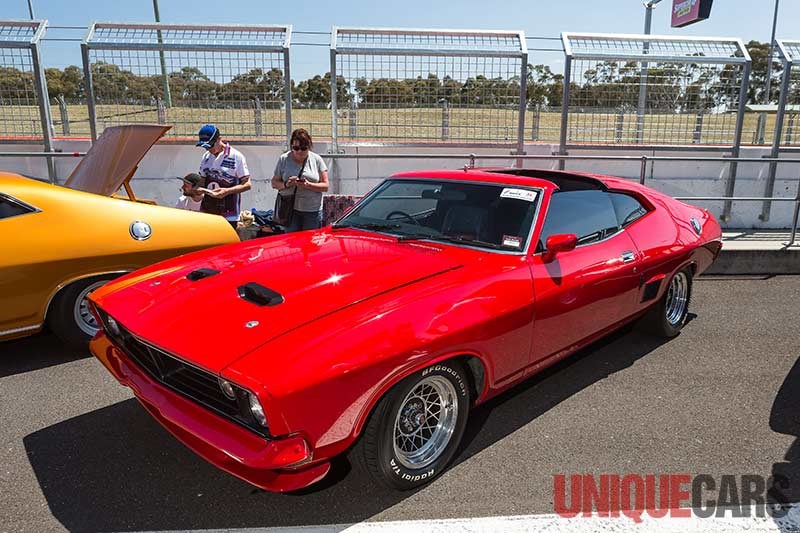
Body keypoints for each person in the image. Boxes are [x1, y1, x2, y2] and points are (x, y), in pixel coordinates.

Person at [271, 128, 329, 232]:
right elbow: (274, 183)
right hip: (290, 210)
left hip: (312, 210)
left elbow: (325, 186)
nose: (300, 151)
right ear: (291, 147)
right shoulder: (284, 159)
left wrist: (308, 185)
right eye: (296, 148)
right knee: (292, 243)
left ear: (309, 147)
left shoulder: (317, 159)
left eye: (303, 148)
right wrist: (287, 184)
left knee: (310, 244)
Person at [196, 124, 251, 228]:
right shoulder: (206, 156)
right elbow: (202, 181)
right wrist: (196, 189)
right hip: (207, 212)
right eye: (205, 147)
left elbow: (247, 184)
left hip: (228, 215)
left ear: (219, 139)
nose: (208, 149)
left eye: (210, 145)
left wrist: (226, 192)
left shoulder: (236, 156)